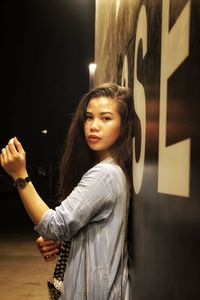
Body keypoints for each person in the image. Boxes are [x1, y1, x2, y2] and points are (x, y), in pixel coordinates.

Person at [0, 83, 134, 300]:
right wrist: (65, 243)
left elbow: (54, 225)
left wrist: (19, 175)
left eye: (106, 118)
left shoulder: (105, 174)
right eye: (89, 117)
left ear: (123, 126)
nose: (94, 126)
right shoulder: (112, 170)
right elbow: (96, 232)